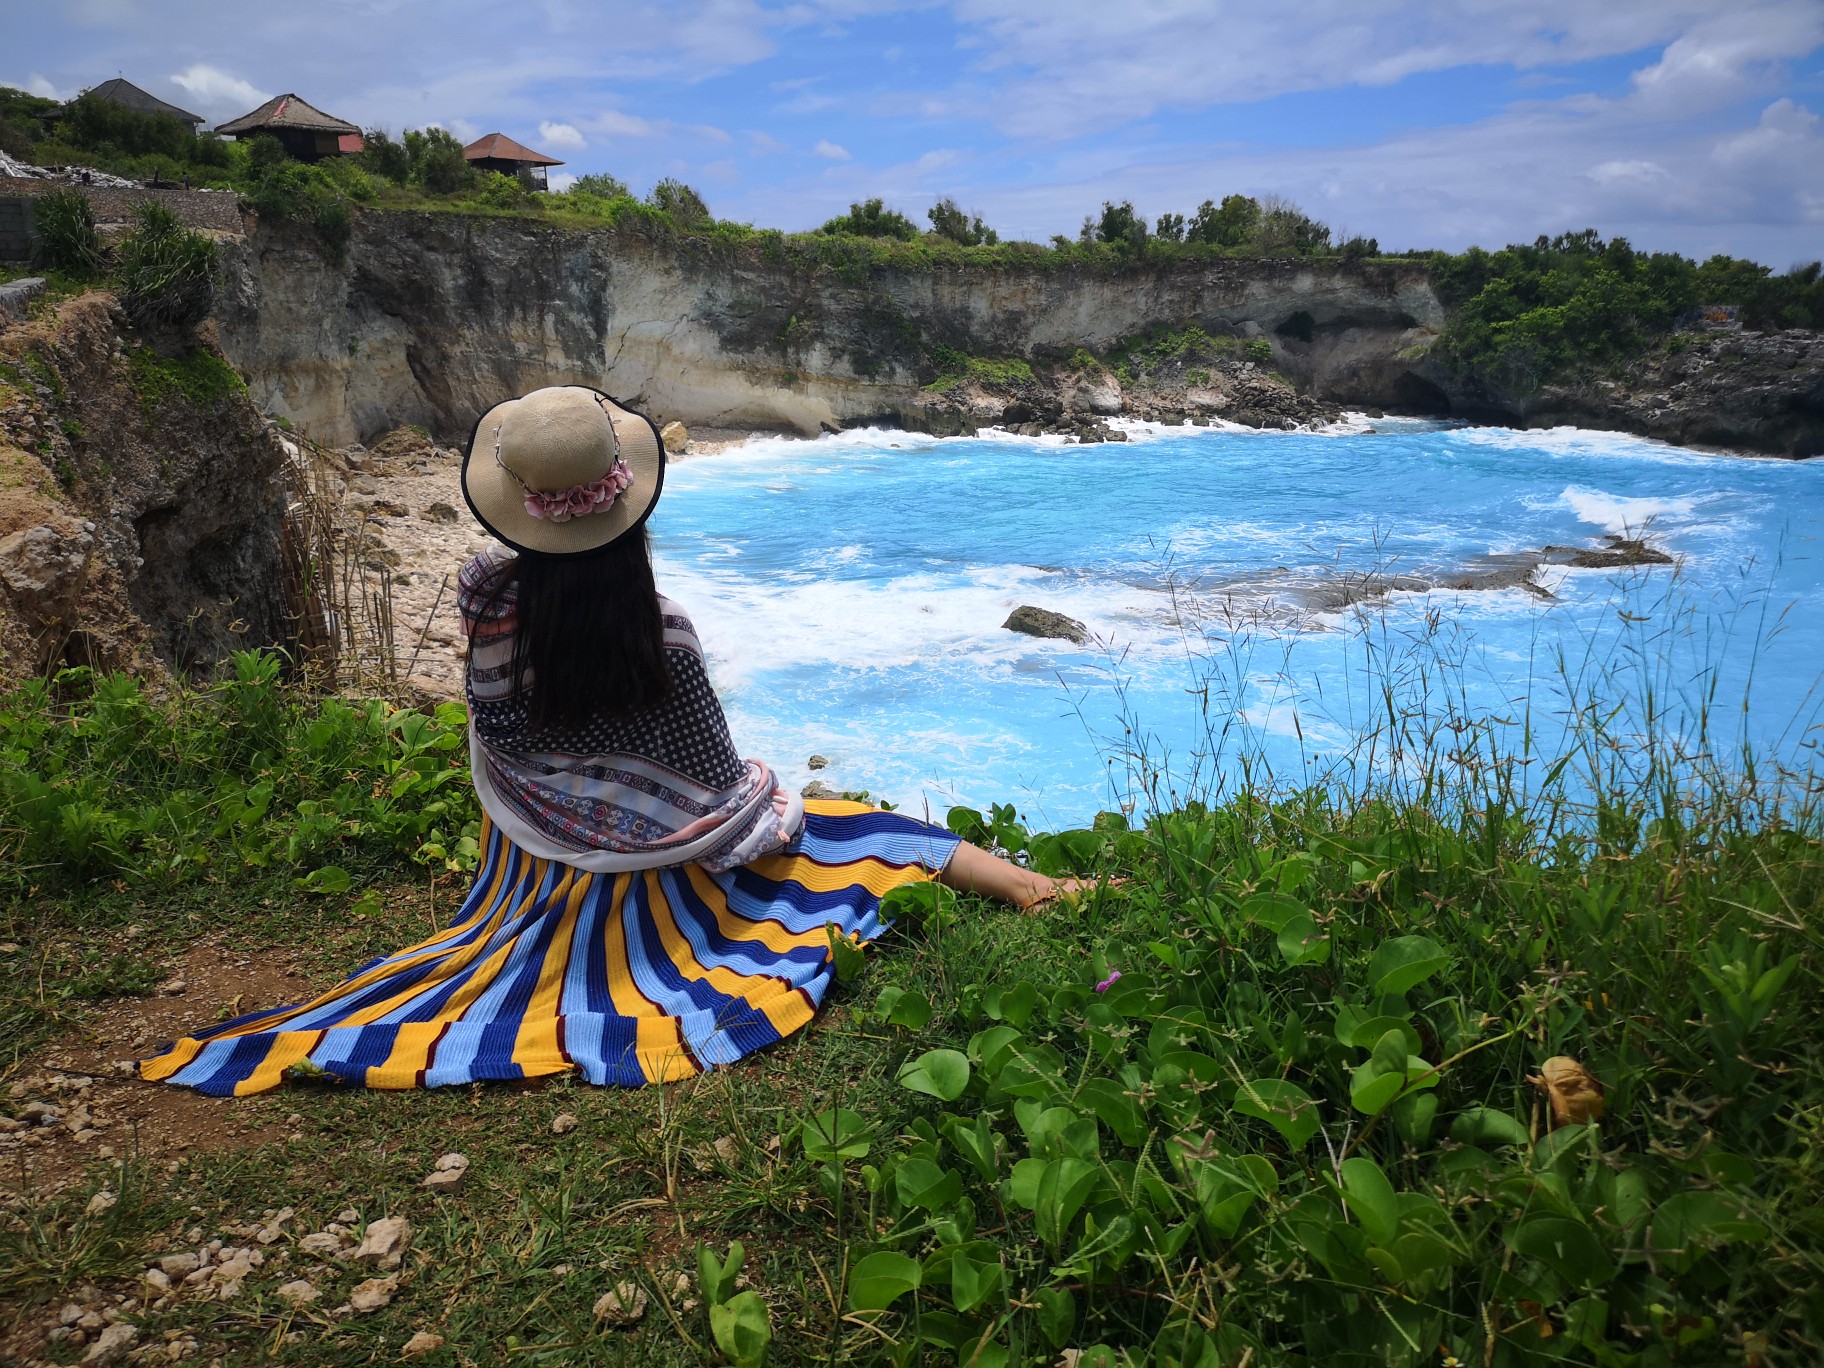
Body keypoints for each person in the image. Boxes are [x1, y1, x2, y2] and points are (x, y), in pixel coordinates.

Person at [143, 386, 1111, 1097]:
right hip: (666, 885)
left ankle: (1034, 889)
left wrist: (581, 812)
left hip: (534, 871)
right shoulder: (663, 633)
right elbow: (718, 798)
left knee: (824, 826)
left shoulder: (489, 604)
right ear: (626, 506)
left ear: (519, 506)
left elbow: (501, 741)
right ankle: (1040, 888)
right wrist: (777, 802)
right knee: (871, 834)